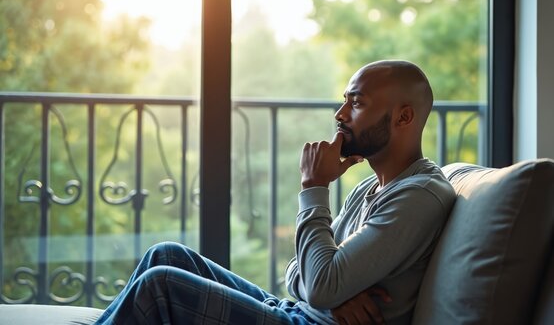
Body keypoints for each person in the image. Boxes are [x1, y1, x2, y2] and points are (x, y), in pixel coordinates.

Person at [95, 60, 456, 325]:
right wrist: (331, 297)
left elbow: (321, 283)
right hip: (300, 313)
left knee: (162, 286)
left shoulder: (419, 194)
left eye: (357, 103)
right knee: (167, 255)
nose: (340, 114)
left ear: (403, 117)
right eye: (344, 100)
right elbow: (299, 273)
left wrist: (313, 187)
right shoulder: (368, 188)